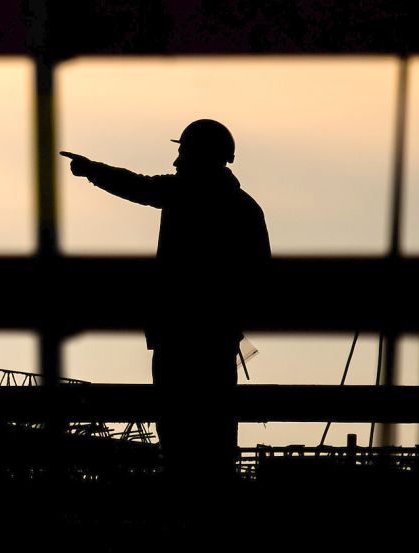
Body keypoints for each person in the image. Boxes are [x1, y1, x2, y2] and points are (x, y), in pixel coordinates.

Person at [61, 119, 271, 486]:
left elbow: (137, 186)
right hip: (218, 338)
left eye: (183, 152)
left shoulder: (185, 193)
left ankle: (183, 490)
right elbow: (261, 275)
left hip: (179, 335)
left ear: (199, 156)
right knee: (215, 426)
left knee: (176, 426)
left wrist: (90, 170)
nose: (176, 161)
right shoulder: (245, 208)